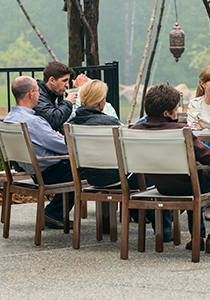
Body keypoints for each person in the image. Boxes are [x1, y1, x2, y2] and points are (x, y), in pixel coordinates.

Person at [131, 84, 210, 253]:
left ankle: (198, 238)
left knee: (192, 174)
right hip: (190, 184)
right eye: (176, 109)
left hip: (161, 186)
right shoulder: (180, 130)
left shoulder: (135, 130)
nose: (177, 113)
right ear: (166, 113)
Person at [68, 80, 173, 242]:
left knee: (140, 183)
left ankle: (148, 215)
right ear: (101, 102)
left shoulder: (72, 125)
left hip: (93, 178)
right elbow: (128, 148)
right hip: (119, 179)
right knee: (158, 176)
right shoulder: (111, 123)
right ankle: (163, 225)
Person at [4, 76, 83, 229]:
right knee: (90, 168)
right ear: (30, 93)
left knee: (76, 167)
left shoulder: (10, 119)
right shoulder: (33, 122)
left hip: (34, 172)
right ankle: (54, 213)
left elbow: (48, 141)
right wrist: (60, 138)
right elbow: (64, 147)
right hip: (50, 173)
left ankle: (55, 213)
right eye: (38, 91)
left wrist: (54, 137)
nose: (39, 95)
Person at [34, 61, 84, 132]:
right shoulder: (38, 95)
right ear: (52, 80)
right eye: (64, 81)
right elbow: (53, 119)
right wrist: (68, 102)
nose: (67, 85)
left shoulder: (48, 95)